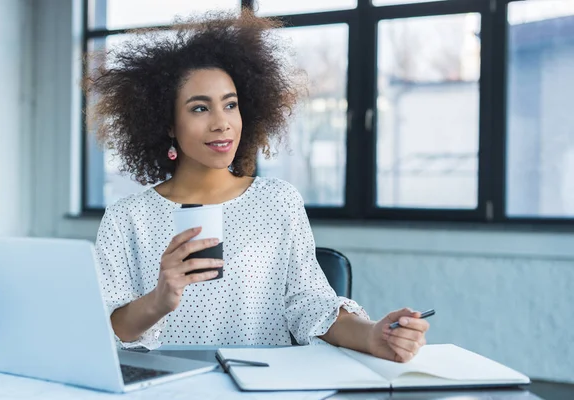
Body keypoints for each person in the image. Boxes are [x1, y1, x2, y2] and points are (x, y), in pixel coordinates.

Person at [87, 10, 429, 363]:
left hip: (262, 384)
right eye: (200, 108)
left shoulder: (277, 201)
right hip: (168, 388)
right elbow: (111, 329)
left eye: (231, 105)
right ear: (168, 123)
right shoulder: (127, 218)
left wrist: (373, 335)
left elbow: (310, 306)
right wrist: (158, 300)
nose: (222, 123)